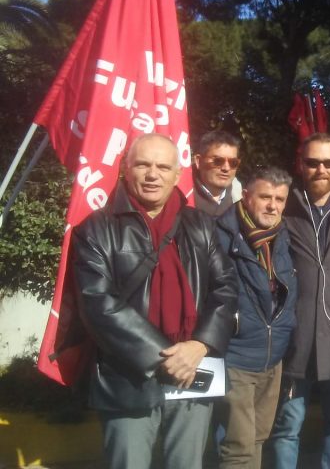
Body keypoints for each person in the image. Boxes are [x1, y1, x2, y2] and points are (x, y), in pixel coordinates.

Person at [70, 133, 238, 469]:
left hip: (194, 372)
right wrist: (166, 357)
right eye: (143, 164)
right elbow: (98, 305)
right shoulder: (96, 229)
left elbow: (226, 286)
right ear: (125, 169)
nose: (152, 174)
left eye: (163, 166)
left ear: (178, 175)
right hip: (129, 376)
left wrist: (200, 346)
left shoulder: (200, 225)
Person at [270, 133, 330, 469]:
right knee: (287, 428)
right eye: (312, 162)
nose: (320, 169)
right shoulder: (281, 208)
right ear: (301, 164)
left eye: (328, 162)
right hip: (294, 341)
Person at [214, 166, 297, 469]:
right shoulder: (221, 235)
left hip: (272, 357)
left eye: (279, 198)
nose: (272, 205)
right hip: (236, 356)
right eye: (265, 197)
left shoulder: (283, 235)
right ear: (246, 196)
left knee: (259, 437)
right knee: (239, 446)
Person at [193, 130, 242, 216]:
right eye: (218, 161)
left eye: (233, 162)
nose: (226, 168)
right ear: (199, 161)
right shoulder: (182, 198)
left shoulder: (240, 200)